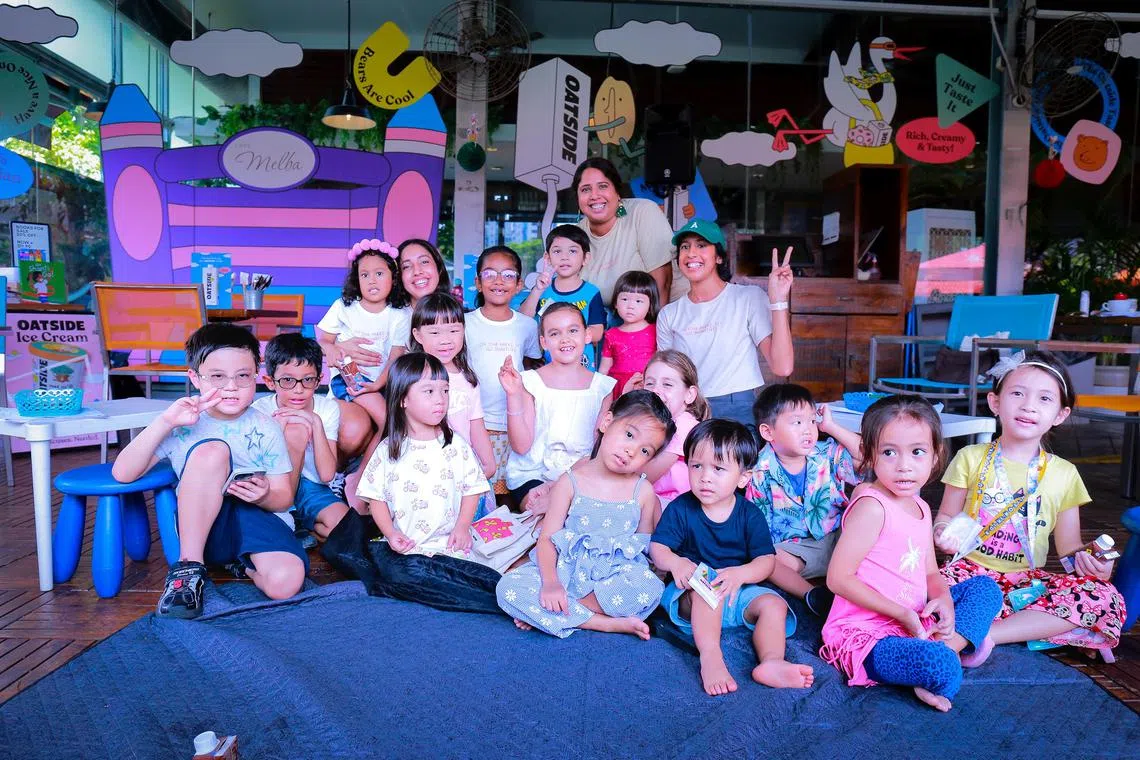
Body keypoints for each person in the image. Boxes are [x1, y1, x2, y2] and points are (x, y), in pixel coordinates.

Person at [821, 395, 1004, 713]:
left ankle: (944, 649)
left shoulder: (920, 506)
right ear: (870, 455)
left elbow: (930, 572)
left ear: (935, 456)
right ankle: (942, 658)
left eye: (917, 452)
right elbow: (838, 579)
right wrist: (902, 615)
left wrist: (944, 600)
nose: (904, 465)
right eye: (889, 452)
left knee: (986, 589)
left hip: (916, 619)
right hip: (869, 634)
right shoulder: (871, 506)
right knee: (939, 665)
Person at [111, 324, 306, 619]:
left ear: (257, 376)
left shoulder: (266, 426)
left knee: (285, 583)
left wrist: (264, 495)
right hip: (202, 526)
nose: (231, 387)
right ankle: (188, 567)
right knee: (213, 450)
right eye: (217, 376)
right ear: (195, 377)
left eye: (243, 376)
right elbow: (123, 473)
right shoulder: (182, 423)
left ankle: (243, 565)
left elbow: (283, 497)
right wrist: (165, 421)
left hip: (256, 520)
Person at [934, 350, 1125, 651]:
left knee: (1103, 595)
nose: (1028, 406)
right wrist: (942, 535)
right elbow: (945, 517)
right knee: (913, 589)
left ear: (1061, 414)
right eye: (1018, 393)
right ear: (995, 402)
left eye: (1045, 399)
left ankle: (987, 635)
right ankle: (1002, 627)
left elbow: (1069, 552)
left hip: (1026, 584)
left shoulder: (1065, 474)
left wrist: (1092, 565)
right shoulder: (969, 458)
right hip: (966, 576)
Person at [651, 419, 811, 696]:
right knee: (706, 585)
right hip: (692, 595)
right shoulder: (681, 508)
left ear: (743, 478)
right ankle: (711, 656)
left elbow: (766, 562)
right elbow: (658, 549)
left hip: (736, 592)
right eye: (696, 465)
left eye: (718, 468)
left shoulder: (749, 514)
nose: (705, 477)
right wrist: (676, 563)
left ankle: (772, 661)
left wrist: (740, 575)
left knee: (774, 604)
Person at [496, 390, 674, 638]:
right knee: (509, 587)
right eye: (629, 435)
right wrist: (550, 584)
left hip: (612, 577)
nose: (632, 451)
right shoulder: (571, 482)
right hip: (566, 571)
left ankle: (556, 612)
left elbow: (644, 549)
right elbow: (548, 538)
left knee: (649, 586)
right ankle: (602, 623)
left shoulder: (642, 491)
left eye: (645, 451)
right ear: (606, 422)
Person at [355, 352, 502, 614]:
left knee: (475, 575)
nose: (440, 399)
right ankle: (480, 598)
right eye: (429, 391)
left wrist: (462, 527)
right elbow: (374, 499)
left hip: (450, 548)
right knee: (404, 571)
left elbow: (472, 489)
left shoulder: (455, 444)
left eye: (445, 390)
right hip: (408, 550)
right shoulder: (389, 449)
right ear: (402, 399)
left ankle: (497, 597)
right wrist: (391, 534)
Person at [657, 219, 794, 424]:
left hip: (738, 409)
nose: (691, 253)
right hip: (687, 411)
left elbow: (782, 368)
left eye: (701, 245)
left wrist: (779, 300)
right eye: (685, 247)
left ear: (719, 257)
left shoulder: (748, 298)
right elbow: (666, 378)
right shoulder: (669, 314)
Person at [746, 384, 863, 617]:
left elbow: (866, 455)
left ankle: (854, 587)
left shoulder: (826, 453)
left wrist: (830, 426)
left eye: (812, 421)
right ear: (768, 433)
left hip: (840, 539)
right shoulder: (759, 470)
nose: (808, 430)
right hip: (797, 551)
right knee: (766, 559)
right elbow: (755, 522)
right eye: (797, 422)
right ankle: (814, 596)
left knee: (867, 497)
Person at [317, 239, 411, 509]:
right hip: (350, 375)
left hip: (381, 382)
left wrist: (378, 385)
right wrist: (333, 347)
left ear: (393, 278)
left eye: (379, 273)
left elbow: (395, 356)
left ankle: (363, 478)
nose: (372, 280)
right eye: (364, 274)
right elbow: (324, 341)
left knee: (391, 421)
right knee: (388, 418)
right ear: (356, 280)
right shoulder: (344, 307)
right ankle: (358, 481)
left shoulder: (399, 314)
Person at [500, 303, 617, 512]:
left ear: (587, 335)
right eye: (555, 333)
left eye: (573, 330)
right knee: (551, 511)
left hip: (581, 473)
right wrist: (513, 395)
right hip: (532, 475)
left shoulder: (603, 387)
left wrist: (562, 482)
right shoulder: (529, 382)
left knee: (581, 512)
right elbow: (521, 447)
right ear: (543, 342)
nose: (565, 339)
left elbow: (598, 450)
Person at [253, 333, 349, 542]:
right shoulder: (259, 410)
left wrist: (315, 423)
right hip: (274, 484)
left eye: (307, 380)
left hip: (311, 486)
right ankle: (289, 516)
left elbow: (326, 475)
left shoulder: (326, 408)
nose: (298, 390)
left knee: (344, 527)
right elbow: (257, 467)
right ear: (270, 382)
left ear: (318, 380)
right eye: (287, 380)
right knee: (291, 430)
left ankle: (303, 525)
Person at [465, 245, 544, 499]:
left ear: (519, 284)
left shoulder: (528, 326)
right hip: (473, 424)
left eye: (508, 275)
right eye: (489, 274)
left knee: (505, 496)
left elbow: (533, 367)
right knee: (474, 491)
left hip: (513, 425)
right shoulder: (464, 323)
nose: (499, 281)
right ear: (477, 282)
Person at [573, 156, 684, 305]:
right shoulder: (576, 235)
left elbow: (663, 283)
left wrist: (654, 327)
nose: (594, 195)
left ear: (617, 192)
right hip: (613, 318)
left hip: (667, 313)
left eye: (603, 186)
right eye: (586, 189)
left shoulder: (643, 212)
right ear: (578, 199)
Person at [409, 293, 496, 478]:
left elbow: (475, 425)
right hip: (424, 467)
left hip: (462, 466)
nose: (445, 340)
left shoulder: (467, 378)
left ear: (464, 330)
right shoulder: (413, 377)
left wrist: (488, 464)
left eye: (454, 331)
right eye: (434, 332)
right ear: (418, 335)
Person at [624, 350, 708, 510]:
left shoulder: (683, 426)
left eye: (667, 384)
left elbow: (646, 477)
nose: (655, 390)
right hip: (654, 502)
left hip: (677, 508)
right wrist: (627, 400)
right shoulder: (653, 425)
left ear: (689, 395)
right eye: (649, 383)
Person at [519, 224, 606, 371]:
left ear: (585, 258)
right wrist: (537, 291)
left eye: (572, 251)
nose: (564, 257)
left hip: (582, 370)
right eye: (557, 251)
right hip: (548, 370)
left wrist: (566, 335)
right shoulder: (542, 290)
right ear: (547, 258)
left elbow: (597, 333)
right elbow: (522, 319)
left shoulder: (591, 292)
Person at [598, 270, 659, 394]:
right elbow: (604, 369)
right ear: (615, 302)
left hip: (645, 386)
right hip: (617, 388)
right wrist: (598, 392)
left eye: (638, 301)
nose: (630, 306)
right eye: (625, 299)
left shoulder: (656, 330)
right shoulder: (611, 334)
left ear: (650, 305)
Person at [398, 238, 451, 307]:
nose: (417, 271)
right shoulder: (391, 317)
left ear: (439, 268)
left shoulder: (464, 317)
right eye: (407, 266)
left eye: (424, 262)